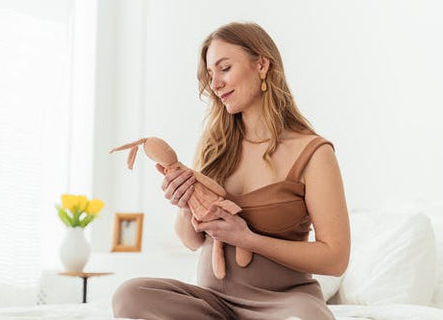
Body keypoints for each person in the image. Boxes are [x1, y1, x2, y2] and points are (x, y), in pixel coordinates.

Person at [112, 21, 350, 320]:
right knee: (130, 295)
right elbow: (191, 240)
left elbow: (335, 258)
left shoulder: (314, 152)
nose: (215, 84)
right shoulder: (214, 145)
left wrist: (249, 239)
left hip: (283, 303)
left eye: (224, 68)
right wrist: (185, 205)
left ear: (262, 64)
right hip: (214, 304)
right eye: (210, 75)